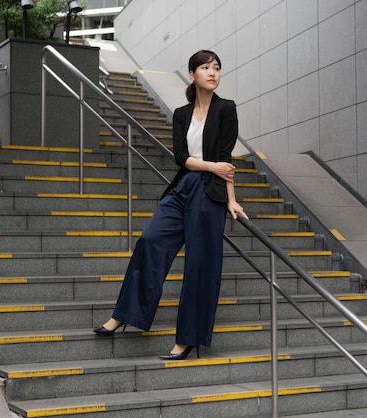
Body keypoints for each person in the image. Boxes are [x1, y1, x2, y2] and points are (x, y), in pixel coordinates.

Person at [94, 49, 247, 360]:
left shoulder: (226, 109)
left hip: (210, 193)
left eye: (216, 67)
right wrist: (210, 166)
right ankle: (125, 313)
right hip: (182, 188)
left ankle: (187, 340)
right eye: (205, 67)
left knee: (199, 265)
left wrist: (231, 199)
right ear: (192, 75)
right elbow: (181, 158)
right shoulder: (181, 114)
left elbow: (226, 159)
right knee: (150, 240)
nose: (212, 72)